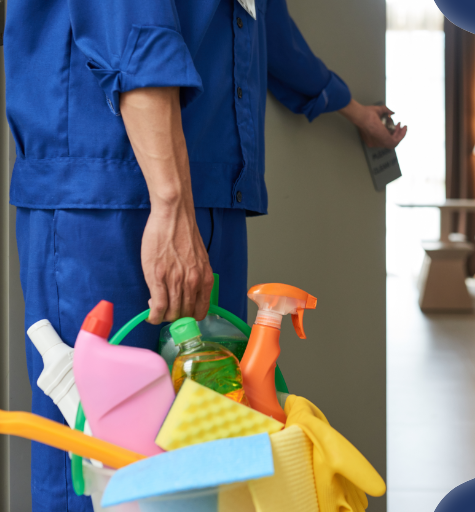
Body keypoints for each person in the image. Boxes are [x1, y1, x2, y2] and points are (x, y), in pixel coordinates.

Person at [4, 0, 406, 509]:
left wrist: (350, 107)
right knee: (97, 458)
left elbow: (265, 27)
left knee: (206, 450)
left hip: (211, 194)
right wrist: (170, 202)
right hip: (109, 194)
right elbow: (133, 24)